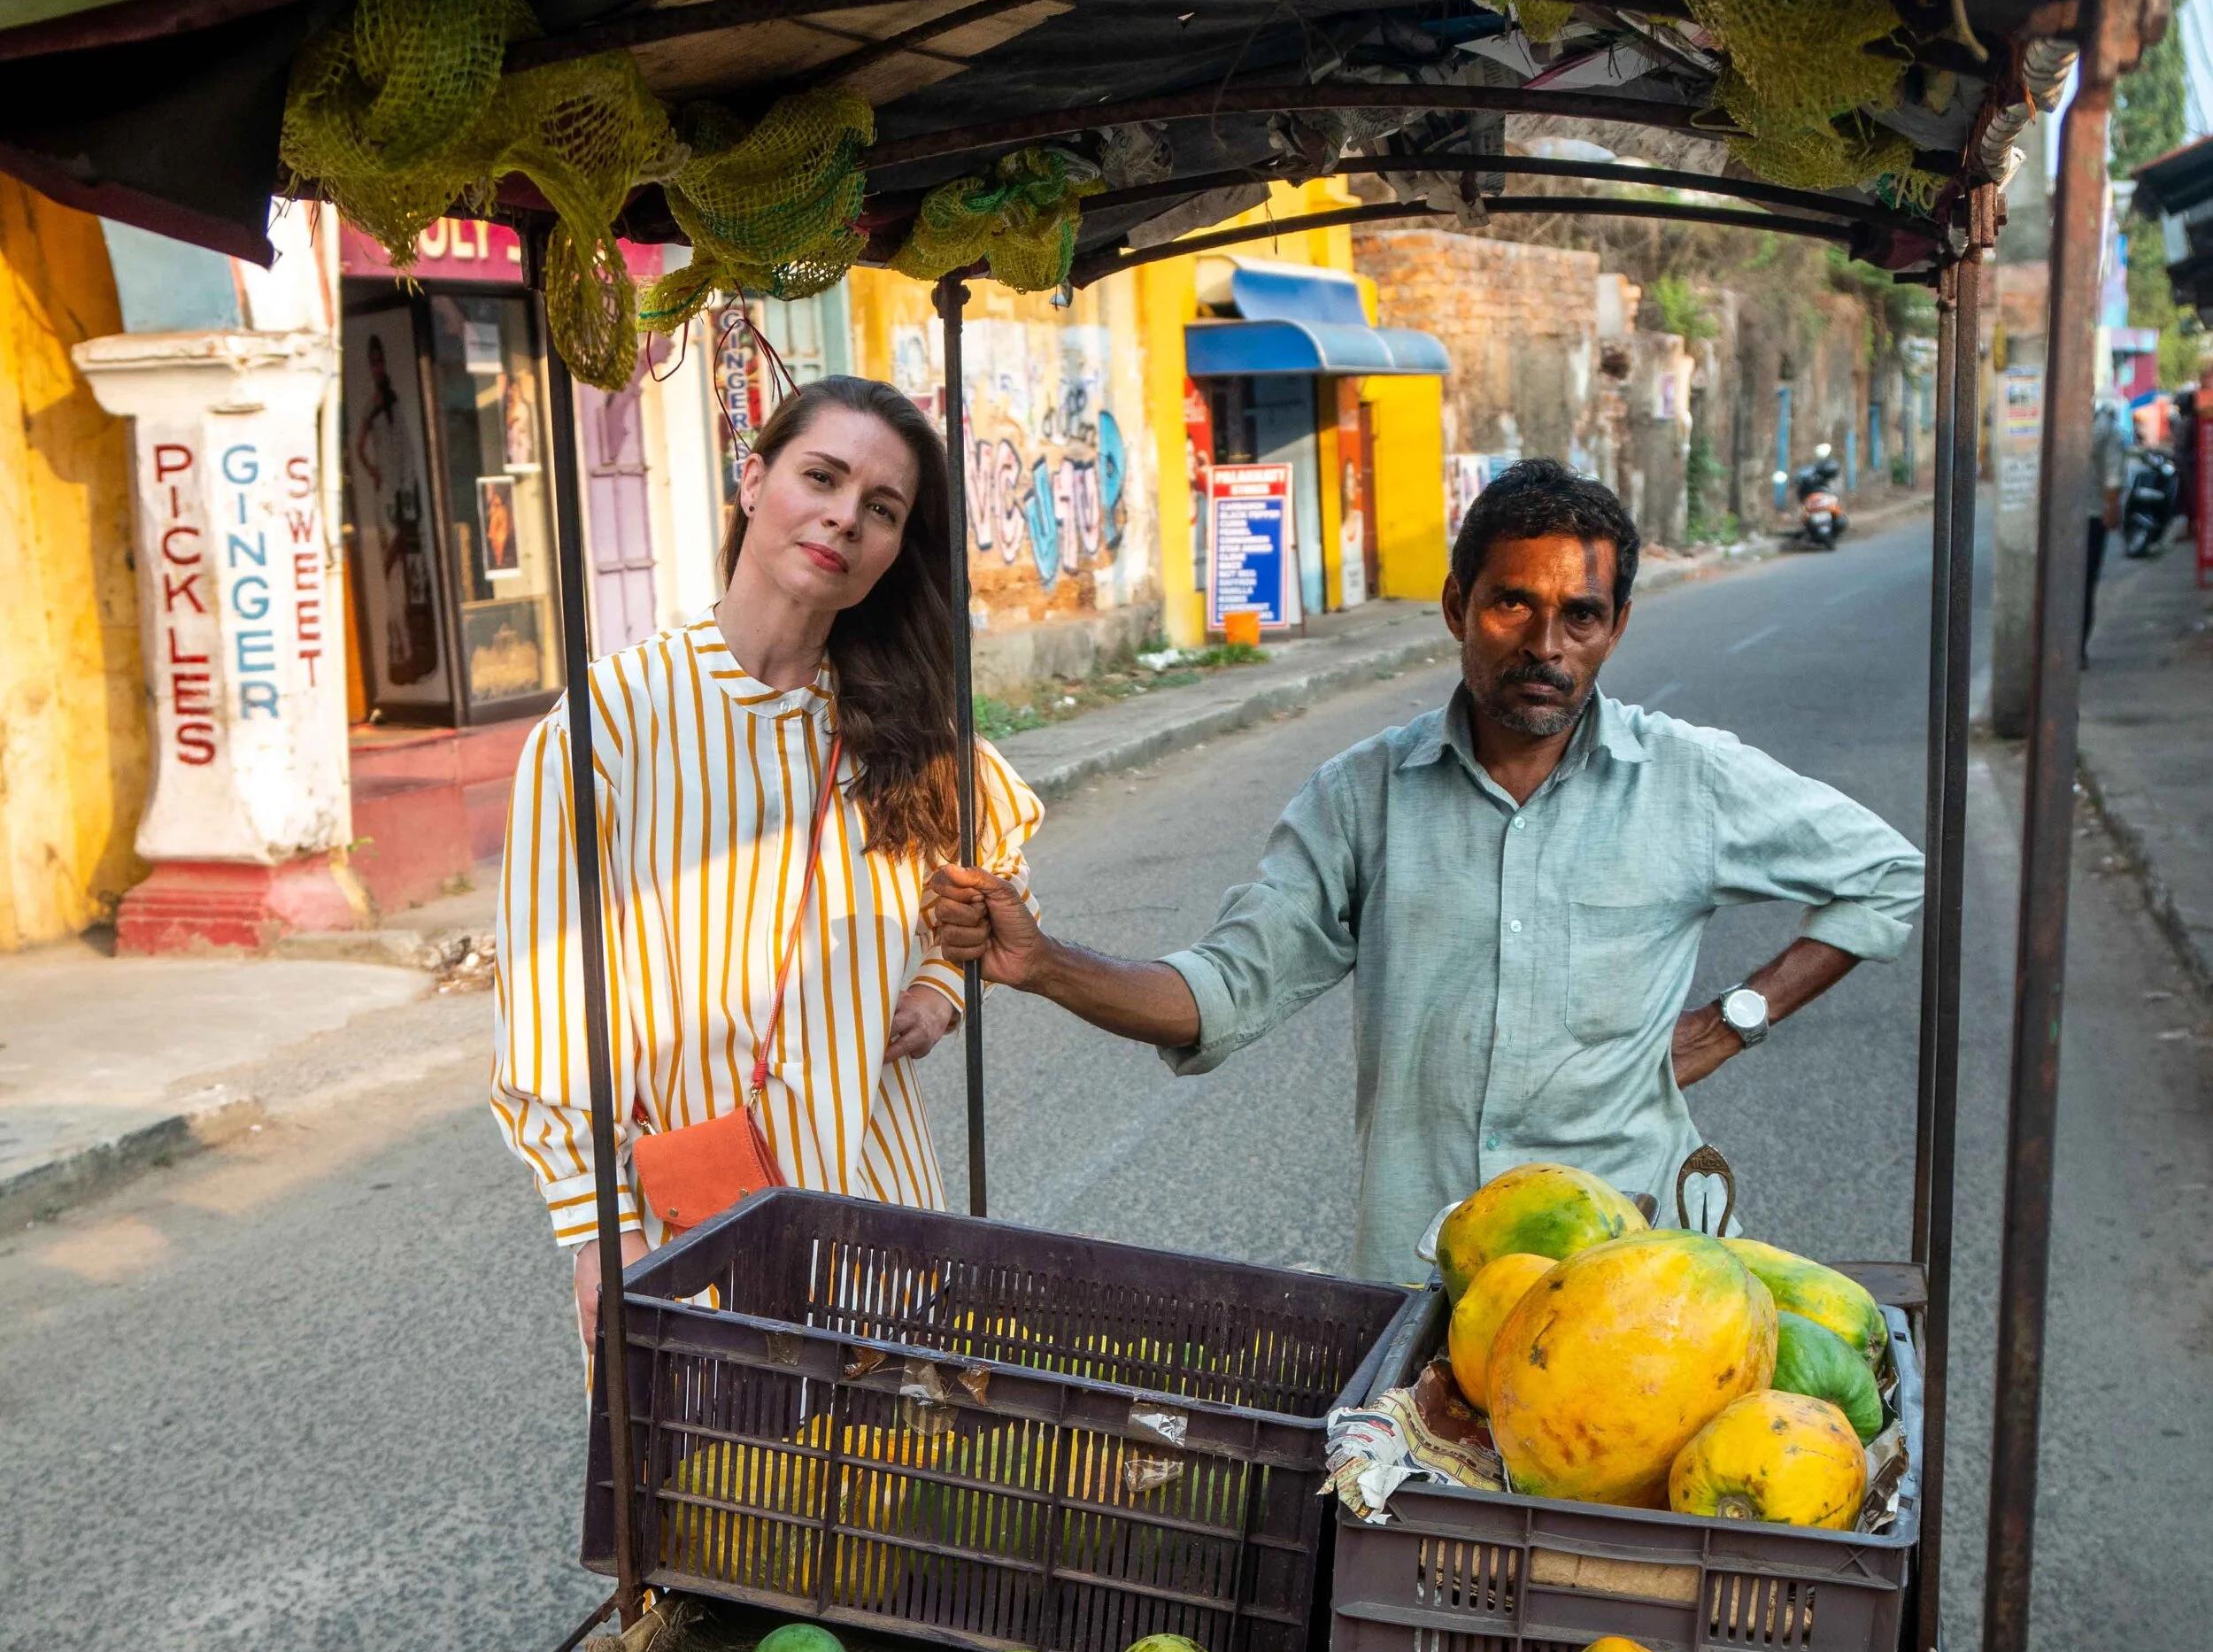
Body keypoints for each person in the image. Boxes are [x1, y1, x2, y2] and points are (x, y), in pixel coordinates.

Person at [928, 459, 1924, 1285]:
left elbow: (1887, 874)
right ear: (1456, 606)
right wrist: (1047, 964)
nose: (1545, 646)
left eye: (1580, 616)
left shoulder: (1690, 780)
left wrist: (1736, 1017)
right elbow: (1222, 993)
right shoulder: (1361, 798)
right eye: (1511, 605)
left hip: (1636, 1277)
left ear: (1616, 627)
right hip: (1424, 1278)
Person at [493, 375, 1041, 1340]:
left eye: (880, 509)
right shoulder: (607, 726)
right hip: (690, 1228)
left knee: (897, 1483)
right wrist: (596, 1233)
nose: (842, 518)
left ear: (891, 551)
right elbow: (553, 1011)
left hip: (884, 1208)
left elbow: (998, 848)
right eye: (819, 478)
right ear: (752, 482)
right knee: (718, 1486)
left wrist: (940, 987)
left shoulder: (903, 730)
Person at [2084, 393, 2132, 657]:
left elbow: (2113, 475)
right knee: (2075, 585)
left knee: (2083, 583)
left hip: (2092, 516)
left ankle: (2075, 647)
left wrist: (2112, 507)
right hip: (2074, 516)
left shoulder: (2104, 429)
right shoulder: (2081, 427)